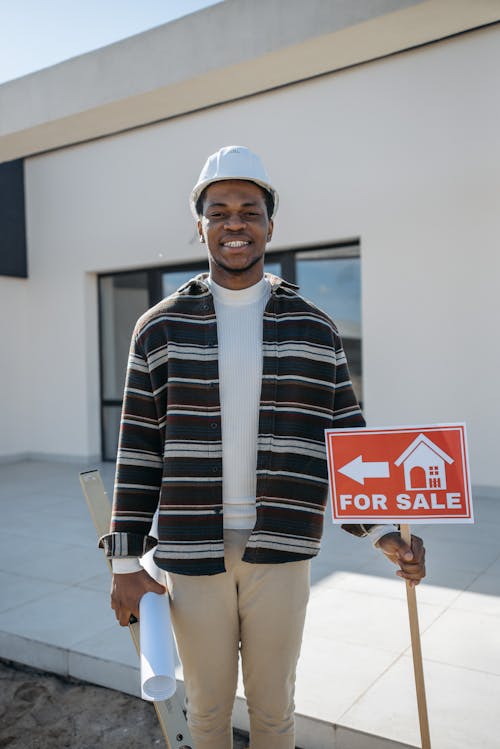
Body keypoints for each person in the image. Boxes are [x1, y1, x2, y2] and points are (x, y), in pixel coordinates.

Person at [99, 146, 426, 749]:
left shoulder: (315, 328)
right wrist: (124, 564)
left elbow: (346, 439)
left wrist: (385, 532)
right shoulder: (160, 327)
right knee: (206, 713)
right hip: (191, 550)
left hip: (282, 549)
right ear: (199, 225)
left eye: (250, 210)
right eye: (218, 211)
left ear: (270, 224)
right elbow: (139, 448)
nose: (235, 224)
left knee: (276, 713)